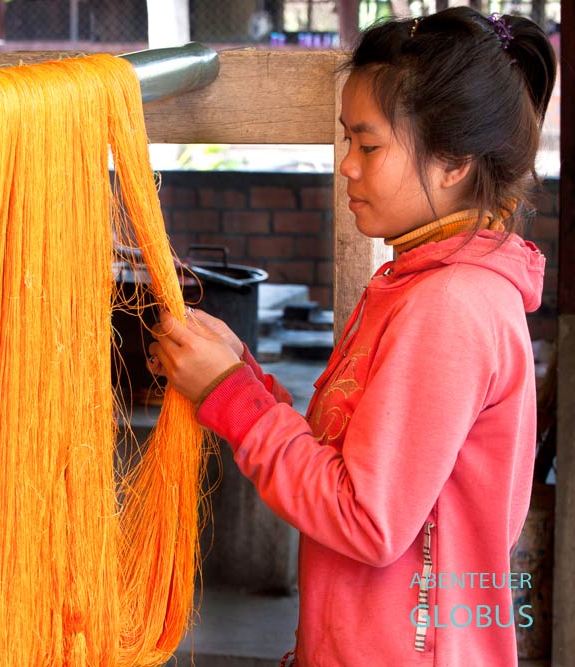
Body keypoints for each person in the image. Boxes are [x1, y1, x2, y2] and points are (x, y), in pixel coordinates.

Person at [147, 7, 556, 666]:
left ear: (452, 162)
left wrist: (233, 398)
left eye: (368, 146)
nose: (347, 167)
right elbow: (346, 460)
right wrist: (241, 378)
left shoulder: (450, 306)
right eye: (347, 142)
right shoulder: (415, 284)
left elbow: (366, 518)